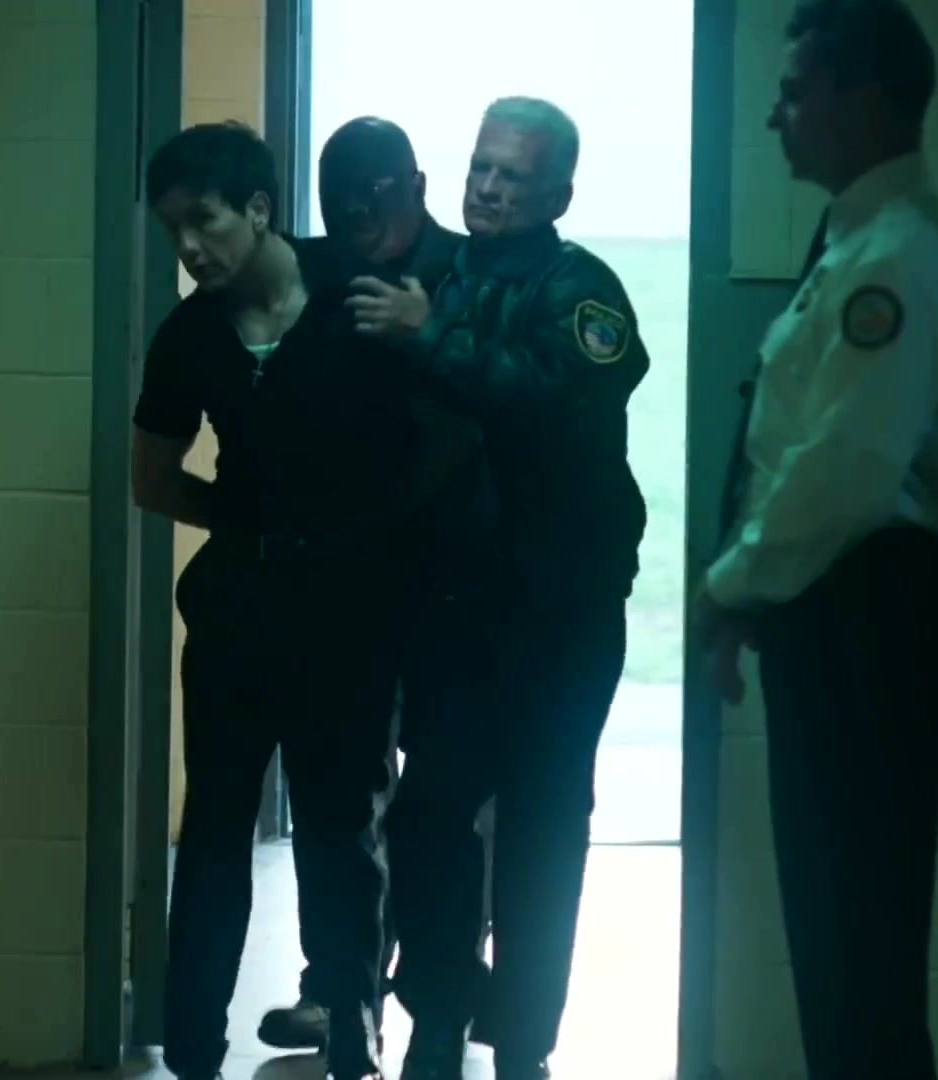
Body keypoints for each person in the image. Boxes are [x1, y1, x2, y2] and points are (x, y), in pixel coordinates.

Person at [693, 3, 938, 1079]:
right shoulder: (862, 240)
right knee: (836, 933)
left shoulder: (896, 257)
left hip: (867, 607)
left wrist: (729, 585)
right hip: (840, 602)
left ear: (862, 102)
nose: (775, 117)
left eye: (793, 93)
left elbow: (843, 469)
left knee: (858, 936)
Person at [349, 97, 651, 1080]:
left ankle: (522, 1040)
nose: (487, 188)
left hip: (562, 615)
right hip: (453, 612)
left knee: (543, 827)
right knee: (429, 813)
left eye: (512, 176)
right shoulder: (439, 275)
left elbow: (557, 403)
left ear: (558, 193)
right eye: (480, 167)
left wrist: (429, 337)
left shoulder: (584, 290)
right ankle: (438, 1015)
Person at [133, 121, 416, 1080]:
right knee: (215, 829)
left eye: (204, 221)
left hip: (350, 606)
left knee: (342, 830)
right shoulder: (188, 335)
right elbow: (151, 479)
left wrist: (366, 529)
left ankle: (351, 1033)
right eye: (173, 229)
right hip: (241, 610)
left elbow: (438, 436)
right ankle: (193, 1052)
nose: (190, 246)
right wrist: (249, 521)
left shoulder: (353, 294)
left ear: (258, 208)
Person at [256, 116, 498, 1056]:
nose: (356, 208)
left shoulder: (470, 274)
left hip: (451, 585)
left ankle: (442, 1000)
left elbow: (489, 421)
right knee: (336, 803)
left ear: (418, 186)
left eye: (377, 189)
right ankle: (339, 993)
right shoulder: (310, 274)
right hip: (344, 588)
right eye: (338, 191)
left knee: (445, 804)